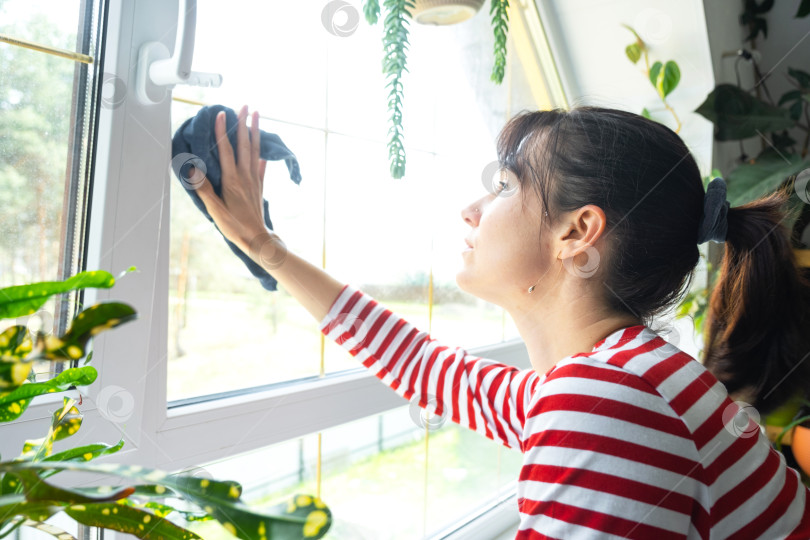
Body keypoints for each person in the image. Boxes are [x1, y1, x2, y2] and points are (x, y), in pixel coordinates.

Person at [194, 104, 810, 538]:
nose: (471, 209)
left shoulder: (608, 400)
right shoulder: (625, 374)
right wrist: (265, 247)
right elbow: (428, 369)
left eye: (504, 184)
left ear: (577, 232)